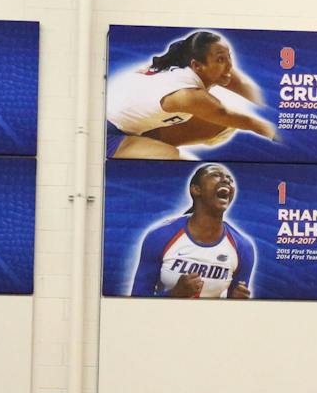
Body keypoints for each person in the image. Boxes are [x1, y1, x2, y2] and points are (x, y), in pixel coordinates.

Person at [106, 29, 276, 160]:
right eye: (220, 59)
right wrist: (286, 139)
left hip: (127, 115)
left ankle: (145, 142)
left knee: (223, 126)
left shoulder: (191, 56)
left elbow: (246, 87)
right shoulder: (188, 95)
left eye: (228, 57)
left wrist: (275, 108)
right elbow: (251, 123)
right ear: (197, 66)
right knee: (170, 156)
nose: (229, 65)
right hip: (108, 133)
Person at [128, 164, 258, 298]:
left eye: (230, 179)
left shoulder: (243, 247)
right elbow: (137, 299)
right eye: (215, 175)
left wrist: (237, 303)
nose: (226, 180)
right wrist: (174, 294)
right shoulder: (160, 236)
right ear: (196, 190)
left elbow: (234, 312)